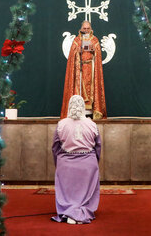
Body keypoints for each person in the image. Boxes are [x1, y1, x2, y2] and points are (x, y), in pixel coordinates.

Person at [51, 95, 101, 224]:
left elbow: (55, 147)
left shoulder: (61, 124)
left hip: (66, 163)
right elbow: (98, 147)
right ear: (83, 108)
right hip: (88, 164)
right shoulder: (92, 124)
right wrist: (95, 162)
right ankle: (82, 211)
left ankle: (69, 212)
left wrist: (59, 163)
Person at [61, 20, 106, 119]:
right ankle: (79, 111)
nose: (86, 30)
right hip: (79, 69)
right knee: (79, 89)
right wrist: (78, 51)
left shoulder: (94, 40)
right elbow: (72, 55)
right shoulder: (77, 40)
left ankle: (91, 112)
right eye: (84, 28)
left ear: (91, 29)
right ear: (81, 29)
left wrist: (94, 51)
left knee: (92, 90)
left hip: (91, 68)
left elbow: (98, 55)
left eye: (88, 28)